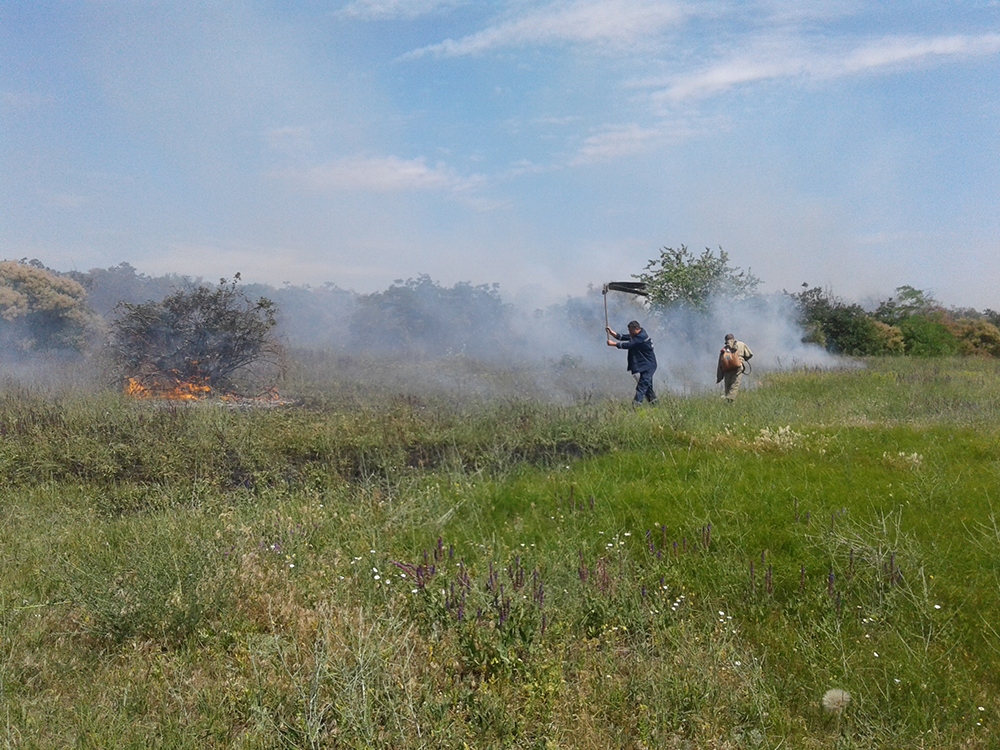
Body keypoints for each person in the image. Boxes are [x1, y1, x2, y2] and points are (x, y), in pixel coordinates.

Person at [607, 320, 658, 406]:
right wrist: (612, 333)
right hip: (644, 365)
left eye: (630, 331)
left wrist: (614, 344)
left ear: (636, 329)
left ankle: (636, 405)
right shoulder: (637, 335)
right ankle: (655, 404)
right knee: (648, 387)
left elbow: (629, 345)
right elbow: (624, 337)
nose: (629, 332)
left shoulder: (641, 337)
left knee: (642, 386)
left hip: (648, 366)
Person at [716, 333, 753, 402]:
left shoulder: (723, 350)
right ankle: (729, 399)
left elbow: (720, 364)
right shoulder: (741, 344)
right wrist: (742, 359)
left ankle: (728, 402)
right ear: (733, 339)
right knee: (735, 385)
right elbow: (750, 354)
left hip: (727, 370)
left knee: (728, 386)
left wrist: (719, 377)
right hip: (738, 368)